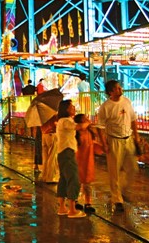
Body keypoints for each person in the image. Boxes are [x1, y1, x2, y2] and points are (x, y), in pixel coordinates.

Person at [97, 80, 140, 212]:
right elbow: (100, 126)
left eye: (119, 87)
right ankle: (117, 198)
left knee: (133, 168)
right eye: (117, 88)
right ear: (111, 92)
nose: (120, 89)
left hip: (128, 139)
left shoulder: (126, 101)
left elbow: (133, 119)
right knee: (114, 171)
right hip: (114, 140)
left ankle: (123, 190)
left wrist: (136, 136)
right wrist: (104, 144)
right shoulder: (105, 107)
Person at [55, 99, 90, 218]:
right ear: (66, 109)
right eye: (71, 107)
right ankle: (72, 209)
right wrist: (87, 123)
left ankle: (62, 207)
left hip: (63, 152)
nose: (74, 108)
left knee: (64, 179)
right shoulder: (65, 121)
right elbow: (79, 127)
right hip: (67, 152)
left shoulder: (63, 121)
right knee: (73, 179)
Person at [74, 113, 97, 213]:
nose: (87, 120)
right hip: (78, 161)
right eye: (85, 119)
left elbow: (93, 144)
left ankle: (88, 203)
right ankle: (74, 201)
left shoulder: (89, 132)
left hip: (88, 161)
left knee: (87, 183)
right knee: (77, 182)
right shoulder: (76, 131)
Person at [39, 115, 58, 183]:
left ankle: (45, 176)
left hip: (44, 134)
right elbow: (56, 124)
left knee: (45, 157)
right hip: (51, 134)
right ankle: (50, 178)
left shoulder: (41, 114)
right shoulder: (53, 114)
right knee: (52, 157)